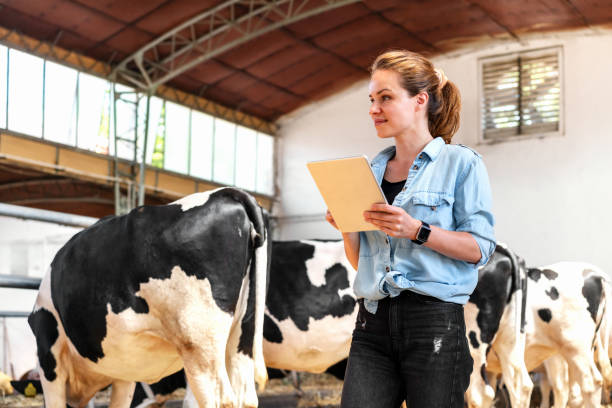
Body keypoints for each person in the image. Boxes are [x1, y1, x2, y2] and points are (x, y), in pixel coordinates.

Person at [325, 50, 496, 408]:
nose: (374, 108)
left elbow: (479, 248)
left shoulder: (461, 163)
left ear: (420, 100)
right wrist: (346, 229)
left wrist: (418, 230)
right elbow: (362, 264)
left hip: (434, 324)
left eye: (385, 98)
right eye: (372, 99)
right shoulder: (369, 170)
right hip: (372, 323)